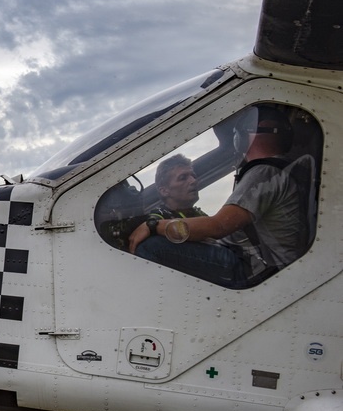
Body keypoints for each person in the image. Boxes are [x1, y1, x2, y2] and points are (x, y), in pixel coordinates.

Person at [129, 105, 306, 289]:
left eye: (193, 176)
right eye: (183, 178)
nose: (193, 181)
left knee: (152, 247)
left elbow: (218, 226)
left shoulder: (264, 172)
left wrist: (152, 226)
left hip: (256, 267)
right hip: (255, 261)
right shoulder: (274, 171)